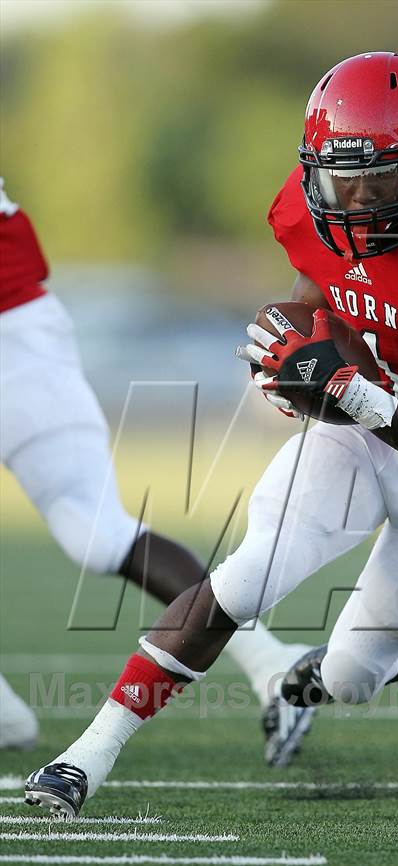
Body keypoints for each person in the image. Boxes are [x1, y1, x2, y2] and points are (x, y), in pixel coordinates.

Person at [25, 51, 398, 819]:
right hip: (366, 430)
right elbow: (317, 307)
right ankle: (87, 754)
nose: (356, 201)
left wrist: (347, 389)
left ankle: (325, 671)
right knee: (245, 577)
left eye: (381, 179)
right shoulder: (310, 211)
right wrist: (290, 363)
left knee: (353, 673)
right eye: (340, 178)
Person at [0, 180, 312, 763]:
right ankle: (268, 660)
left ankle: (268, 661)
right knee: (95, 532)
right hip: (25, 331)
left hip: (12, 329)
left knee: (97, 531)